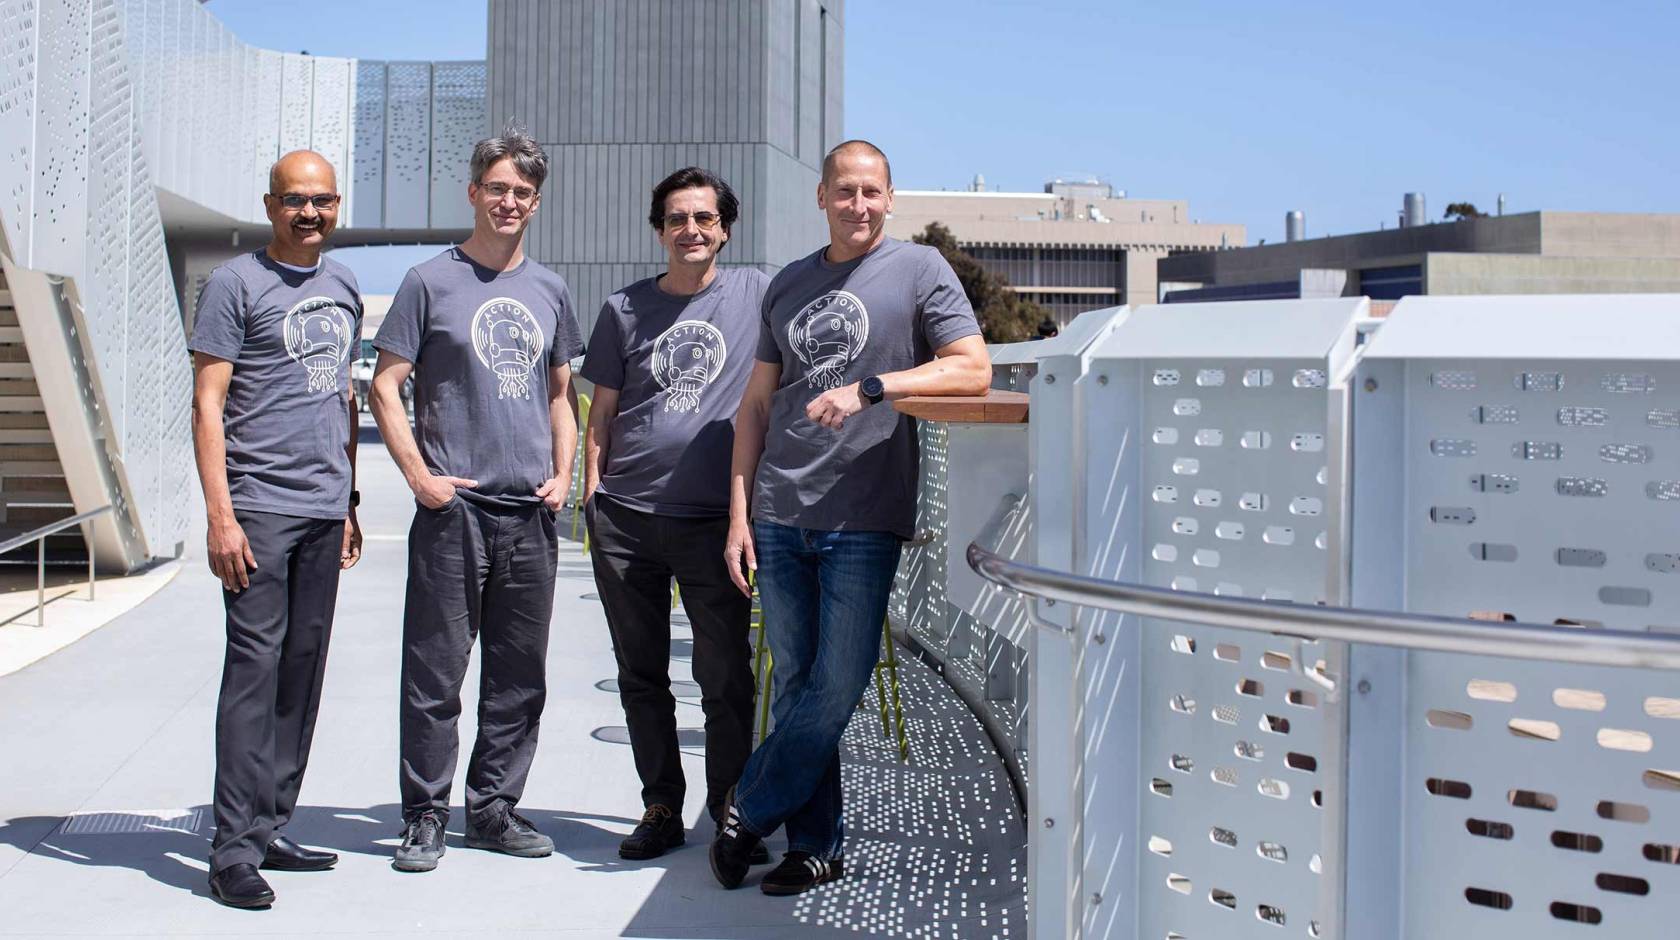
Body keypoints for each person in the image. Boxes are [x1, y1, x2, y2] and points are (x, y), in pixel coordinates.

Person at [711, 140, 991, 895]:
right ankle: (815, 848)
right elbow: (756, 406)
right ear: (822, 198)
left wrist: (873, 388)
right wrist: (740, 513)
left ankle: (747, 805)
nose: (858, 205)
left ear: (890, 198)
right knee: (798, 684)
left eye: (871, 192)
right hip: (779, 509)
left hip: (864, 514)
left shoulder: (920, 270)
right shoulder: (789, 284)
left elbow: (974, 367)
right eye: (844, 191)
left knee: (838, 684)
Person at [370, 126, 583, 873]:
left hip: (529, 513)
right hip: (452, 512)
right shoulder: (428, 281)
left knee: (519, 676)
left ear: (536, 202)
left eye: (522, 192)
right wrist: (418, 477)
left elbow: (561, 395)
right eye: (497, 189)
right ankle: (425, 815)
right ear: (473, 193)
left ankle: (493, 809)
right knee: (434, 674)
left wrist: (565, 475)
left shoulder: (550, 290)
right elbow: (385, 385)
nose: (509, 202)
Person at [188, 150, 363, 909]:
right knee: (253, 676)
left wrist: (349, 500)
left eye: (321, 200)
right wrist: (220, 515)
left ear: (337, 206)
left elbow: (341, 398)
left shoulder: (345, 285)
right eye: (295, 200)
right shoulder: (235, 284)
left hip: (324, 508)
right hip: (258, 506)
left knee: (302, 672)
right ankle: (231, 851)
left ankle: (269, 826)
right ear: (270, 206)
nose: (309, 213)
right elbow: (207, 403)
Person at [581, 168, 768, 864]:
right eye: (677, 218)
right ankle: (660, 806)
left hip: (716, 521)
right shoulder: (623, 309)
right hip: (626, 518)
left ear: (725, 229)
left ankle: (730, 809)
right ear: (660, 230)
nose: (691, 229)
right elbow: (601, 413)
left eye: (704, 218)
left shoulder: (756, 294)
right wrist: (593, 498)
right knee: (642, 674)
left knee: (725, 676)